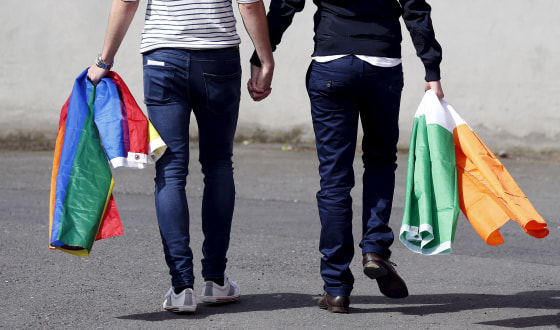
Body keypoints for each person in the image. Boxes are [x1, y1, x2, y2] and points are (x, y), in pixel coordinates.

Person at [248, 0, 444, 313]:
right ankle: (375, 250)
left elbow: (286, 4)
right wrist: (431, 68)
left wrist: (261, 56)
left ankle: (337, 288)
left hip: (332, 64)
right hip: (383, 65)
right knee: (380, 161)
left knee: (334, 177)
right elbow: (415, 8)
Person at [88, 0, 274, 313]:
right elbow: (251, 4)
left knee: (170, 171)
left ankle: (181, 287)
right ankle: (215, 281)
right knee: (218, 165)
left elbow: (127, 1)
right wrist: (265, 58)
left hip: (163, 57)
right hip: (219, 58)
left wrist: (104, 60)